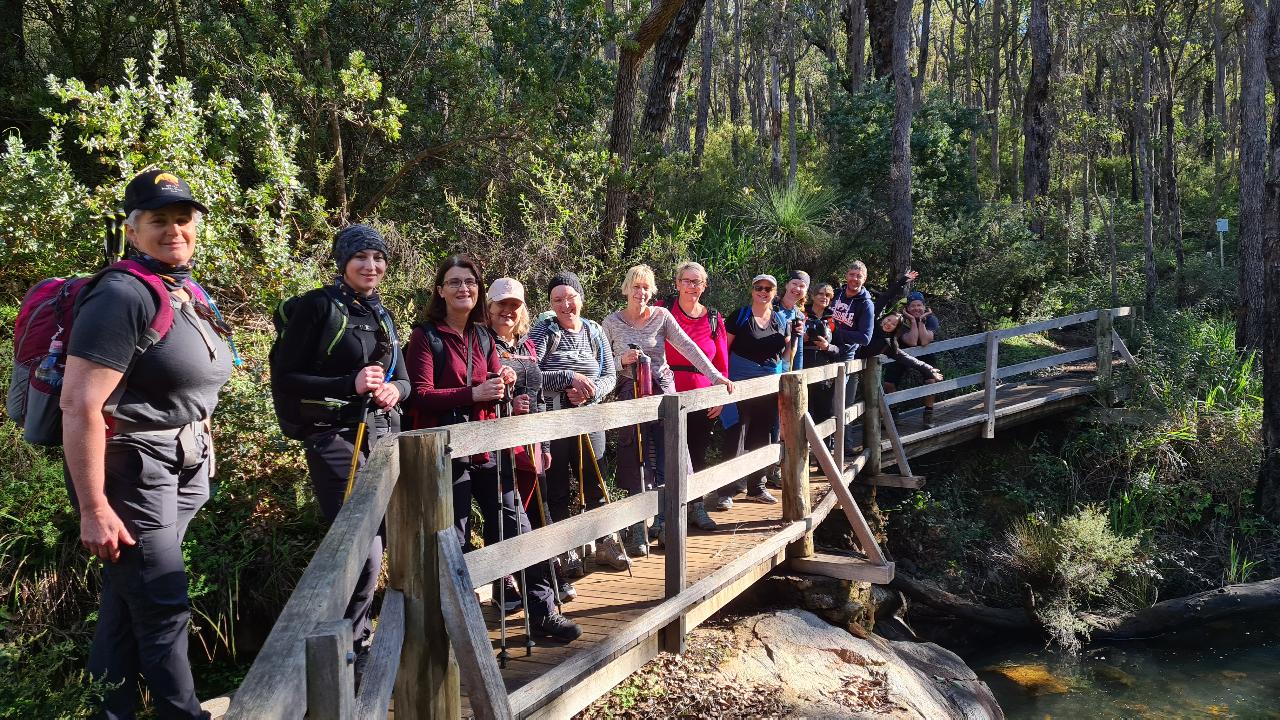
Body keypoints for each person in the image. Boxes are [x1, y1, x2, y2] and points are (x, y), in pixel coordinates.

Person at [61, 169, 233, 718]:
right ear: (133, 231)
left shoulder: (182, 289)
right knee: (162, 601)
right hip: (134, 468)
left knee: (128, 597)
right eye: (158, 220)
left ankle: (107, 712)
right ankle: (183, 714)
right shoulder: (120, 294)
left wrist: (198, 424)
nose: (174, 230)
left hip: (179, 463)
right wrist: (93, 508)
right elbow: (80, 404)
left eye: (183, 219)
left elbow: (179, 377)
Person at [406, 256, 581, 641]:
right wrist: (474, 392)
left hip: (489, 448)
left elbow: (493, 383)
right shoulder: (425, 337)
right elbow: (418, 395)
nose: (463, 288)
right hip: (444, 453)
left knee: (517, 527)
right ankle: (453, 626)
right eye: (454, 282)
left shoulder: (482, 337)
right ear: (440, 290)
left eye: (469, 282)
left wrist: (504, 377)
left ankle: (543, 612)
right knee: (455, 536)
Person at [272, 223, 410, 674]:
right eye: (361, 258)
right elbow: (285, 376)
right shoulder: (318, 307)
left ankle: (356, 639)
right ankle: (341, 649)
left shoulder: (381, 314)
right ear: (342, 262)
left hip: (377, 434)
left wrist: (396, 392)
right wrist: (345, 383)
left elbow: (403, 378)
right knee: (359, 544)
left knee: (377, 539)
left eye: (378, 258)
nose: (371, 266)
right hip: (330, 436)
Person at [602, 264, 733, 556]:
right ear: (626, 288)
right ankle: (638, 528)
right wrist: (621, 359)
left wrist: (715, 377)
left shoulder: (662, 316)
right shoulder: (611, 322)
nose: (641, 292)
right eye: (636, 286)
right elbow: (600, 366)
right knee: (634, 456)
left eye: (647, 287)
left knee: (669, 453)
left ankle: (664, 524)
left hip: (662, 392)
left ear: (653, 291)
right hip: (629, 395)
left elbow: (689, 347)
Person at [527, 271, 626, 571]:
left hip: (589, 418)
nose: (565, 305)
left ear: (580, 298)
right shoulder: (544, 330)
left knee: (596, 482)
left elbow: (610, 375)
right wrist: (569, 378)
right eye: (557, 299)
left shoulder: (594, 331)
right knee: (555, 488)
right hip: (554, 420)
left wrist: (590, 393)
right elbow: (530, 374)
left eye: (570, 298)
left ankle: (605, 543)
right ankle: (564, 552)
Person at [484, 277, 575, 603]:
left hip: (530, 440)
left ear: (522, 309)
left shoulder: (527, 345)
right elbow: (482, 389)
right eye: (502, 305)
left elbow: (537, 397)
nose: (508, 311)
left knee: (537, 509)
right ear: (489, 307)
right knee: (507, 511)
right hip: (498, 438)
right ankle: (504, 581)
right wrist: (509, 404)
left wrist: (545, 445)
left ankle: (549, 577)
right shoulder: (483, 342)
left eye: (514, 305)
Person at [706, 274, 797, 511]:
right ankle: (725, 491)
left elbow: (787, 351)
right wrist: (719, 379)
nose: (763, 292)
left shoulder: (779, 319)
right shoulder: (741, 315)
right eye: (759, 287)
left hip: (767, 384)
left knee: (763, 434)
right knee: (736, 432)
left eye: (768, 288)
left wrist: (789, 357)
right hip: (739, 382)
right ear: (752, 290)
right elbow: (723, 349)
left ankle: (757, 487)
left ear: (775, 293)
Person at [660, 261, 730, 531]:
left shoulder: (713, 318)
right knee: (666, 453)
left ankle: (697, 506)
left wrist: (720, 397)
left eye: (697, 282)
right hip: (667, 393)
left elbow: (722, 363)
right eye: (686, 281)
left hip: (702, 395)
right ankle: (664, 515)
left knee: (697, 451)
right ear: (677, 283)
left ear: (704, 286)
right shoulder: (663, 312)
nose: (691, 286)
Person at [828, 261, 918, 447]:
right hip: (827, 353)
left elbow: (884, 300)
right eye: (852, 275)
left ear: (865, 279)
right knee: (826, 403)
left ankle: (845, 445)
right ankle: (826, 445)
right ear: (846, 275)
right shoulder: (835, 295)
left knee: (846, 403)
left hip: (851, 358)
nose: (854, 279)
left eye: (859, 276)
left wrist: (902, 281)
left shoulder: (866, 304)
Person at [856, 312, 943, 410]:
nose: (889, 324)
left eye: (893, 324)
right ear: (883, 318)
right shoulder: (870, 324)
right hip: (842, 357)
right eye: (888, 320)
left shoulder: (888, 344)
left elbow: (906, 358)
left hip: (852, 370)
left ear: (896, 329)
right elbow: (882, 300)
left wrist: (929, 369)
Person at [884, 291, 941, 428]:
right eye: (913, 306)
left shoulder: (931, 319)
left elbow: (925, 341)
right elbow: (912, 341)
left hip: (925, 352)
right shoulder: (900, 320)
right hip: (902, 353)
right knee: (888, 383)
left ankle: (928, 414)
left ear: (924, 306)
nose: (916, 308)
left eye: (919, 305)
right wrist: (911, 320)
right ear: (907, 308)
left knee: (931, 380)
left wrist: (920, 320)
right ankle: (893, 414)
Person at [803, 282, 842, 425]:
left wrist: (828, 347)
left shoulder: (832, 321)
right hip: (802, 372)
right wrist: (802, 339)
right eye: (820, 293)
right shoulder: (801, 314)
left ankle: (825, 446)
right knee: (803, 413)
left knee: (824, 414)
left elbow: (840, 350)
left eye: (828, 295)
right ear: (812, 296)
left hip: (824, 375)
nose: (824, 297)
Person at [772, 270, 809, 371]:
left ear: (806, 291)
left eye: (802, 286)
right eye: (794, 283)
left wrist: (798, 373)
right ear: (787, 285)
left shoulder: (799, 316)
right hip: (768, 363)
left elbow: (799, 350)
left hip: (785, 365)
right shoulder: (772, 306)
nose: (797, 288)